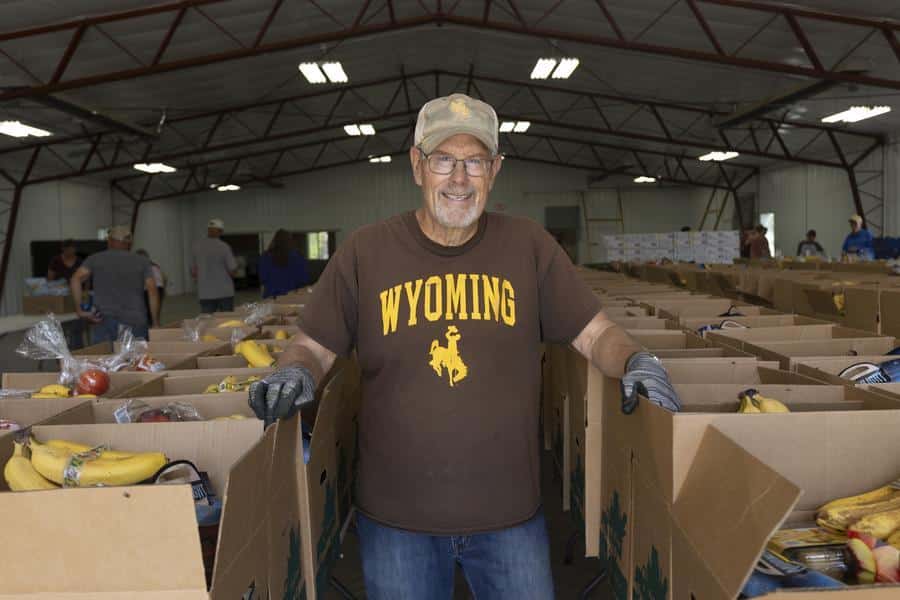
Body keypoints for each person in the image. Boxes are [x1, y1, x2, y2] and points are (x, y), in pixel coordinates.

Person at [246, 93, 679, 599]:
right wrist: (293, 372)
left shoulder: (530, 246)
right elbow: (313, 347)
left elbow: (596, 332)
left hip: (509, 518)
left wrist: (637, 360)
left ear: (494, 170)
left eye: (473, 161)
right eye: (443, 160)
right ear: (417, 165)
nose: (458, 178)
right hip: (396, 522)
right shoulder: (366, 251)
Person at [70, 226, 158, 341]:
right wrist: (155, 322)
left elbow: (75, 279)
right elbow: (153, 291)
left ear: (110, 241)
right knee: (135, 358)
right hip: (135, 320)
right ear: (130, 244)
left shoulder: (94, 259)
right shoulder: (142, 261)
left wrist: (79, 310)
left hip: (103, 321)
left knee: (104, 358)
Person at [192, 218, 238, 313]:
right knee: (226, 321)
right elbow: (232, 270)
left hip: (205, 293)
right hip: (224, 292)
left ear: (208, 230)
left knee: (207, 322)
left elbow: (193, 272)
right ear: (220, 231)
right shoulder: (224, 247)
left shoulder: (197, 247)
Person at [259, 229, 309, 298]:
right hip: (291, 296)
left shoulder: (265, 257)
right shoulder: (298, 257)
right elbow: (303, 280)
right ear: (290, 241)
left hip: (271, 297)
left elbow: (262, 279)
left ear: (274, 241)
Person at [136, 249, 167, 324]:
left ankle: (152, 324)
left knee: (148, 311)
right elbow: (164, 277)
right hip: (160, 288)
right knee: (156, 310)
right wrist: (163, 289)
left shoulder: (143, 267)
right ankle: (156, 323)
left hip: (149, 290)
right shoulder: (155, 265)